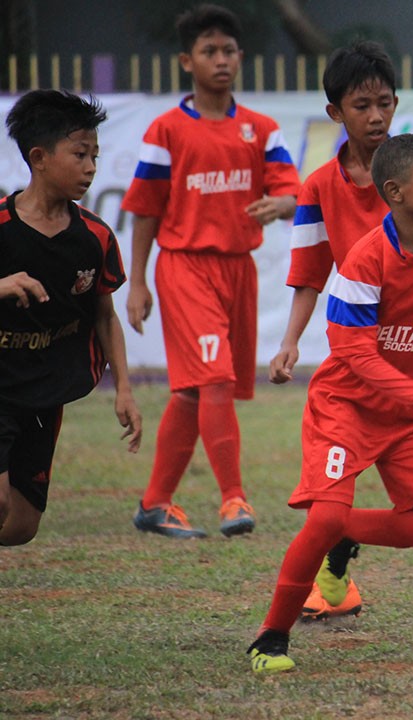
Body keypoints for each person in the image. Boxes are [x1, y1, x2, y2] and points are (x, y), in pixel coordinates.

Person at [246, 133, 413, 673]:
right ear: (396, 192)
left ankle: (342, 530)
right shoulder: (364, 261)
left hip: (412, 414)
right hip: (349, 406)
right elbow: (354, 355)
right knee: (324, 516)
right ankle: (271, 638)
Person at [269, 40, 413, 620]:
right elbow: (309, 273)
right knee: (345, 487)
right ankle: (335, 560)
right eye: (362, 105)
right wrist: (290, 342)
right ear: (335, 111)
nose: (376, 115)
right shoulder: (319, 186)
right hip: (368, 354)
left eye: (385, 102)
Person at [121, 4, 301, 539]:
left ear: (240, 57)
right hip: (184, 267)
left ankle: (155, 504)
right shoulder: (167, 130)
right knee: (216, 377)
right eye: (209, 51)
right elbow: (145, 209)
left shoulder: (261, 130)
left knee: (195, 390)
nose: (220, 60)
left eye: (228, 51)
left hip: (238, 271)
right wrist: (137, 281)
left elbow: (294, 193)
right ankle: (233, 500)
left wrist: (283, 204)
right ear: (187, 61)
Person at [1, 89, 142, 546]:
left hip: (44, 392)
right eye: (80, 154)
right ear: (39, 158)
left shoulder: (94, 237)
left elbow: (105, 315)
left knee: (20, 527)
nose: (91, 167)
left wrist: (124, 389)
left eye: (95, 156)